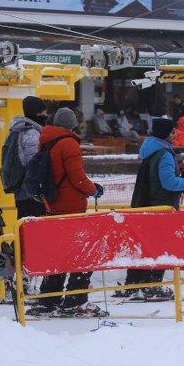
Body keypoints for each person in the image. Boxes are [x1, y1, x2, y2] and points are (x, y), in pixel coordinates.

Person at [28, 108, 106, 318]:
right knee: (82, 253)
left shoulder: (47, 140)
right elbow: (77, 177)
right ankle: (75, 300)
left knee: (59, 253)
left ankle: (48, 299)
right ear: (72, 124)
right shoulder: (68, 143)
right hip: (71, 207)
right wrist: (94, 190)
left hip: (53, 205)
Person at [121, 118, 184, 301]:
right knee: (161, 247)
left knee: (143, 245)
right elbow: (168, 182)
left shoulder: (151, 150)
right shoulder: (165, 154)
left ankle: (134, 284)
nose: (175, 133)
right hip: (162, 208)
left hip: (147, 204)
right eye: (172, 131)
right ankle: (153, 285)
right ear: (167, 133)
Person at [8, 96, 48, 219]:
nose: (46, 116)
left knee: (24, 229)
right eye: (43, 113)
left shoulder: (17, 131)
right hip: (31, 194)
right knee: (35, 231)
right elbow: (35, 165)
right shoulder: (31, 134)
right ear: (36, 113)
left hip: (21, 190)